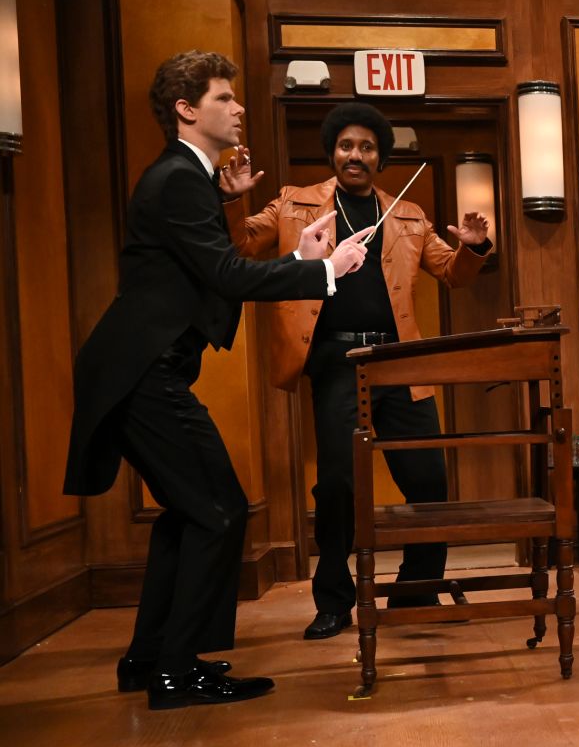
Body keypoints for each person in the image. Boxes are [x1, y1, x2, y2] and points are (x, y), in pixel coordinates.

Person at [63, 50, 370, 709]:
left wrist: (292, 254)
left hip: (137, 371)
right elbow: (227, 278)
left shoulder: (190, 180)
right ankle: (176, 669)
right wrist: (325, 271)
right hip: (143, 373)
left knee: (192, 509)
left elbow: (211, 271)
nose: (237, 108)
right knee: (220, 508)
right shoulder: (177, 178)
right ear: (186, 108)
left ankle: (150, 658)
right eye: (224, 98)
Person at [223, 103, 492, 640]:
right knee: (338, 486)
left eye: (367, 147)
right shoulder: (294, 204)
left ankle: (418, 590)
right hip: (337, 364)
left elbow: (453, 274)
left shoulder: (409, 215)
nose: (356, 155)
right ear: (332, 151)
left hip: (401, 362)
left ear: (380, 159)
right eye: (347, 145)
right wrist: (231, 200)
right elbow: (239, 245)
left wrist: (475, 247)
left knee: (429, 481)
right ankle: (333, 601)